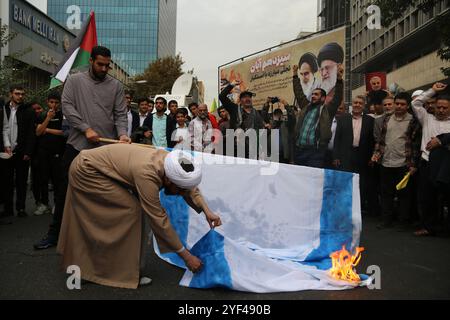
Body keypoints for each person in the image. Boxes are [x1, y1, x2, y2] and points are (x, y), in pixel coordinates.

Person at [57, 144, 222, 289]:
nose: (181, 194)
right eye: (180, 190)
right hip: (87, 171)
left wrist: (207, 211)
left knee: (127, 213)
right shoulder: (147, 174)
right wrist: (187, 257)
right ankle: (111, 270)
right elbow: (158, 219)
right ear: (169, 181)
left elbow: (189, 187)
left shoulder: (170, 162)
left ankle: (113, 266)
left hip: (97, 168)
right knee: (130, 211)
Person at [34, 46, 130, 250]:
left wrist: (122, 133)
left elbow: (121, 114)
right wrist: (86, 129)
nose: (104, 69)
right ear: (91, 62)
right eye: (100, 64)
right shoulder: (75, 80)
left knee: (106, 194)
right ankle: (54, 234)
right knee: (65, 191)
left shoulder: (116, 86)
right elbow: (67, 106)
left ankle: (103, 239)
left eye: (107, 65)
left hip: (106, 150)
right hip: (77, 146)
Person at [372, 92, 420, 230]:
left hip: (404, 163)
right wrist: (376, 154)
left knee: (404, 195)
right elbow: (381, 140)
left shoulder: (413, 121)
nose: (399, 106)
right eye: (397, 103)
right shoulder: (387, 119)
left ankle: (403, 222)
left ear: (407, 106)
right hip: (386, 162)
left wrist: (413, 164)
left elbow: (415, 144)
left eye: (402, 104)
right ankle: (386, 220)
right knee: (386, 193)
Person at [411, 83, 450, 236]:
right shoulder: (427, 118)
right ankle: (428, 226)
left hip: (446, 166)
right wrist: (433, 90)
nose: (440, 110)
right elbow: (415, 103)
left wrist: (441, 141)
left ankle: (445, 228)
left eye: (444, 108)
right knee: (427, 198)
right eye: (438, 107)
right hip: (427, 163)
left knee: (446, 198)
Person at [292, 64, 344, 168]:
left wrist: (339, 79)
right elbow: (298, 93)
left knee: (312, 179)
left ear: (323, 98)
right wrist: (294, 75)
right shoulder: (305, 106)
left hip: (315, 153)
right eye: (312, 94)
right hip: (300, 150)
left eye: (316, 94)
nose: (313, 96)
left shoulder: (327, 110)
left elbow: (337, 97)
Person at [333, 95, 375, 214]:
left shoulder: (370, 121)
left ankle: (358, 208)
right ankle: (344, 207)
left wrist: (371, 157)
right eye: (355, 103)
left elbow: (372, 141)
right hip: (345, 155)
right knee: (345, 182)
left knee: (361, 183)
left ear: (364, 105)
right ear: (352, 104)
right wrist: (336, 156)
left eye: (360, 103)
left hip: (362, 156)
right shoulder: (343, 118)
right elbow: (337, 139)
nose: (357, 105)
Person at [2, 85, 36, 218]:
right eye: (17, 94)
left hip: (22, 151)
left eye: (22, 94)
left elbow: (31, 134)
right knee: (6, 182)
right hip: (6, 151)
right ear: (11, 94)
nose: (20, 96)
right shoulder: (4, 108)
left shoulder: (29, 111)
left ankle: (21, 208)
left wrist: (28, 152)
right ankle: (8, 209)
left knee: (21, 182)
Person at [34, 92, 66, 216]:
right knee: (43, 178)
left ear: (60, 103)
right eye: (51, 102)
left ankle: (57, 204)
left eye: (56, 102)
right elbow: (37, 132)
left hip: (57, 151)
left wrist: (46, 130)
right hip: (43, 151)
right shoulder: (41, 115)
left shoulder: (63, 115)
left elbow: (64, 132)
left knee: (57, 179)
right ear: (47, 102)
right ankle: (44, 204)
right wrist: (47, 118)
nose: (54, 105)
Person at [219, 81, 268, 158]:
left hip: (252, 149)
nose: (247, 99)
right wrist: (231, 85)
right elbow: (222, 97)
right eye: (244, 97)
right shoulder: (234, 109)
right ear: (240, 100)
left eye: (249, 97)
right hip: (236, 148)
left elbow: (261, 129)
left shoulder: (256, 113)